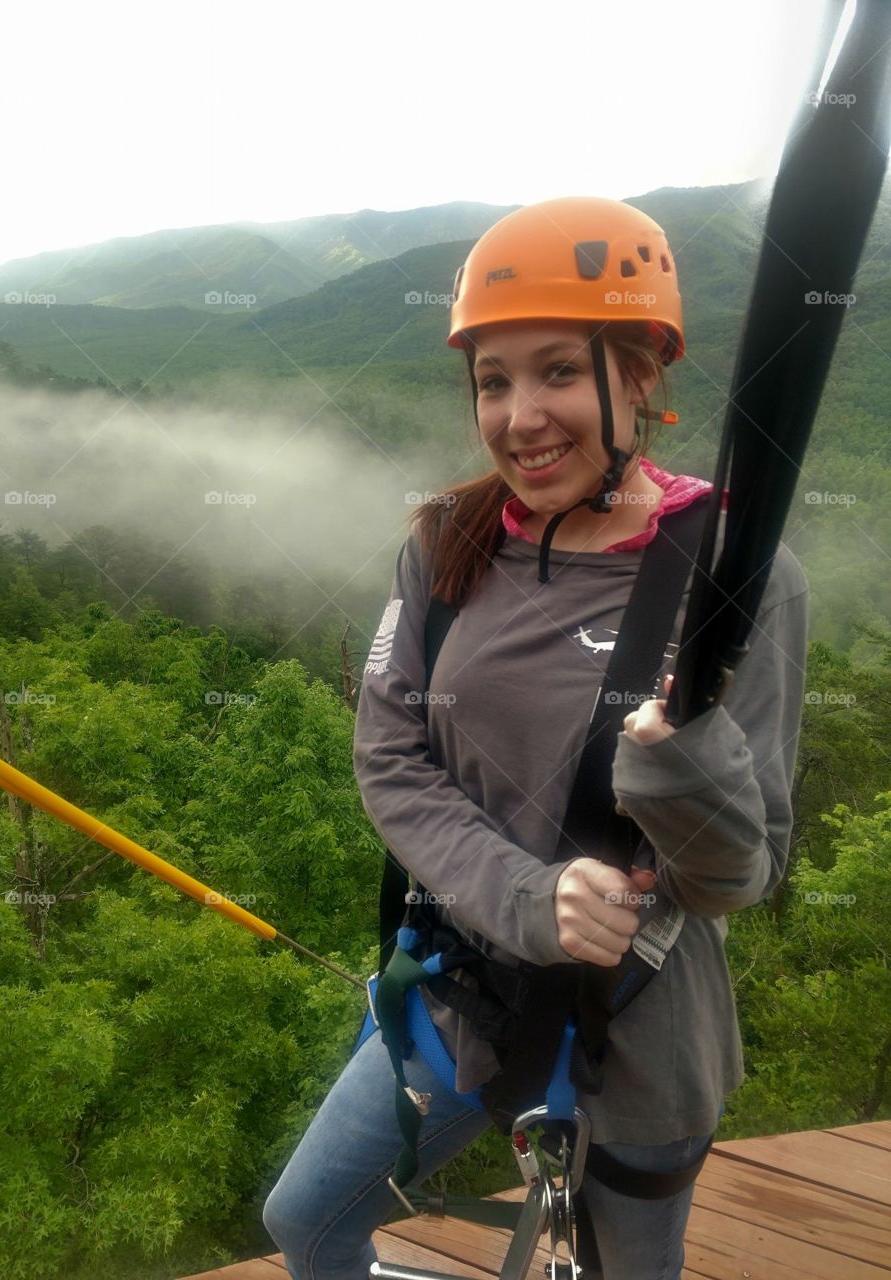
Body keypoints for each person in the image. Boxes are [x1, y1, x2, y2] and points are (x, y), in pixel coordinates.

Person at [263, 196, 810, 1280]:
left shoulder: (737, 578)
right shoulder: (446, 542)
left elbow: (740, 873)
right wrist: (524, 895)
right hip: (464, 986)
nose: (520, 417)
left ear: (641, 376)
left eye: (559, 370)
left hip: (640, 1025)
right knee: (308, 1224)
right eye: (492, 381)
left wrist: (676, 760)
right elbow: (390, 756)